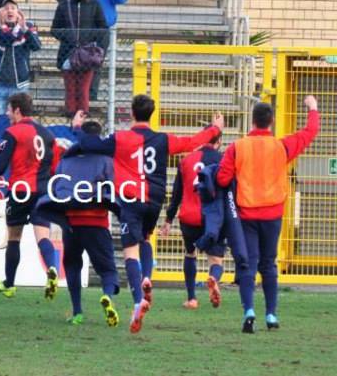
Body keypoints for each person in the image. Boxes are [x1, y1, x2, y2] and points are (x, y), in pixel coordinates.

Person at [69, 95, 223, 334]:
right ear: (152, 114)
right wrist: (215, 129)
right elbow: (192, 142)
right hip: (154, 200)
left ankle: (138, 300)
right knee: (146, 239)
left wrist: (77, 127)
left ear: (132, 113)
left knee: (130, 252)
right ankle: (147, 276)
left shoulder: (120, 138)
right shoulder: (163, 139)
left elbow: (91, 145)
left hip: (131, 199)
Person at [216, 96, 319, 333]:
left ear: (252, 121)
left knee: (248, 262)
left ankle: (248, 310)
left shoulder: (238, 147)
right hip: (273, 213)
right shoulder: (281, 147)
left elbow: (222, 178)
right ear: (271, 122)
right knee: (269, 263)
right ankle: (271, 314)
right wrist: (312, 108)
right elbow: (309, 132)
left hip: (246, 213)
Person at [54, 120, 120, 327]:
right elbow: (111, 190)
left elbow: (57, 187)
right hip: (97, 222)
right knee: (108, 270)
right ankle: (107, 295)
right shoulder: (106, 160)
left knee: (72, 265)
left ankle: (77, 312)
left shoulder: (67, 160)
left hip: (71, 223)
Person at [0, 93, 60, 301]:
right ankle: (51, 268)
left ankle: (9, 284)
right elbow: (54, 165)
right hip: (42, 192)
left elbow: (0, 164)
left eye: (8, 109)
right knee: (43, 237)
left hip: (20, 190)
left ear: (17, 110)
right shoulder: (48, 135)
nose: (7, 114)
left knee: (14, 237)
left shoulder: (13, 132)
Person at [160, 131, 227, 310]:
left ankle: (192, 299)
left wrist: (168, 220)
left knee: (190, 253)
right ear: (219, 141)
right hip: (213, 218)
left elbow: (176, 195)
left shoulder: (186, 160)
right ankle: (213, 278)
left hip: (189, 216)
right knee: (216, 260)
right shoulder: (223, 160)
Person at [50, 0, 108, 116]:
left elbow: (103, 27)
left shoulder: (94, 4)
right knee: (70, 88)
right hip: (67, 52)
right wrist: (69, 36)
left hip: (87, 54)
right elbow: (55, 29)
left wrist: (89, 39)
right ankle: (70, 115)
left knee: (83, 88)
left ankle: (82, 116)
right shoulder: (64, 5)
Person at [82, 0, 127, 101]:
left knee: (96, 63)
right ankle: (79, 98)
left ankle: (91, 98)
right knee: (80, 62)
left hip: (102, 29)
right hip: (83, 29)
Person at [0, 0, 40, 115]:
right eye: (6, 8)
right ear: (0, 12)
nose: (9, 11)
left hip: (20, 83)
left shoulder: (28, 26)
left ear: (18, 12)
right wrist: (0, 25)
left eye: (13, 8)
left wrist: (24, 29)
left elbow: (36, 45)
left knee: (18, 117)